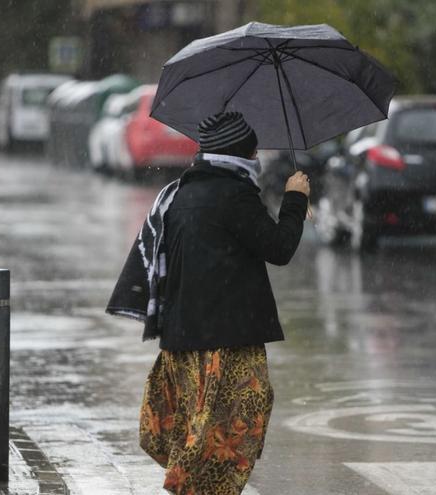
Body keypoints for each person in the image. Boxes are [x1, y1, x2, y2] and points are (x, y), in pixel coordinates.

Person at [109, 111, 309, 494]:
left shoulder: (182, 192)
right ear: (241, 153)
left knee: (198, 431)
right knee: (226, 435)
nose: (258, 157)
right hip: (226, 343)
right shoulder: (233, 195)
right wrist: (296, 200)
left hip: (182, 340)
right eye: (254, 150)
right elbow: (279, 247)